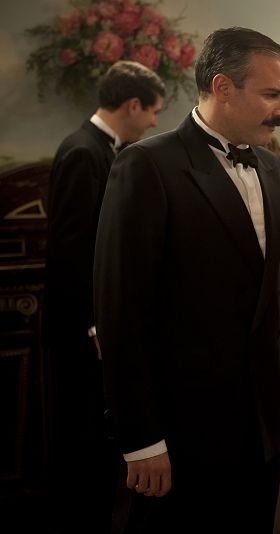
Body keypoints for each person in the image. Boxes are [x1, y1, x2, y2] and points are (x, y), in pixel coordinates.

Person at [93, 27, 280, 532]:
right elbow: (121, 315)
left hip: (262, 426)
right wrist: (141, 439)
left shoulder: (272, 168)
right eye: (272, 94)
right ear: (223, 87)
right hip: (182, 430)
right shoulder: (147, 165)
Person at [44, 59, 164, 533]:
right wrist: (93, 322)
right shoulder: (83, 152)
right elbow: (72, 250)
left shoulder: (105, 149)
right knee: (82, 431)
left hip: (94, 322)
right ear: (132, 105)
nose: (154, 121)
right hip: (80, 328)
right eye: (152, 110)